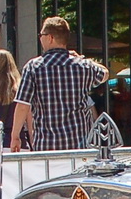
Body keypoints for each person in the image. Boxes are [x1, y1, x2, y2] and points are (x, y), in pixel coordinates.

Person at [17, 16, 108, 151]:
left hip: (46, 145)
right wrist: (82, 58)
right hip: (79, 144)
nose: (40, 38)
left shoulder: (33, 67)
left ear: (50, 38)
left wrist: (15, 135)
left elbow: (23, 105)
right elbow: (105, 73)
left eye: (41, 35)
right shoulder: (82, 66)